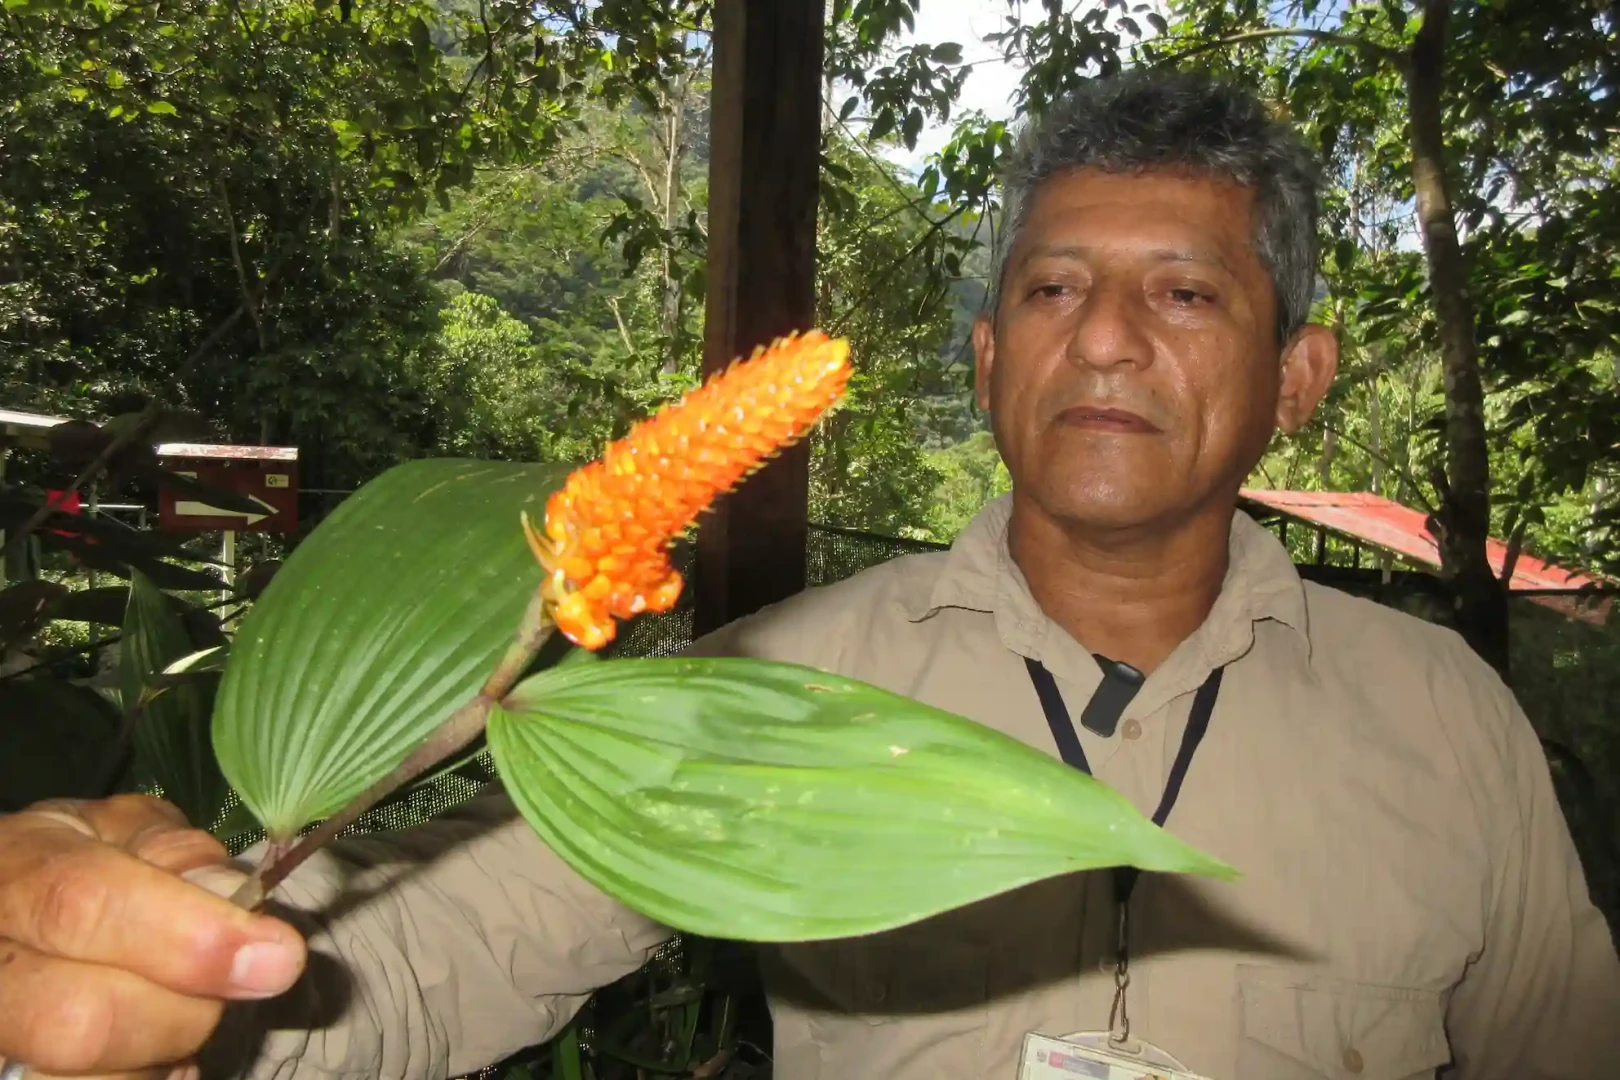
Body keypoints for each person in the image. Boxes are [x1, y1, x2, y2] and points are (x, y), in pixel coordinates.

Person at [2, 70, 1617, 1080]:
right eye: (1053, 288)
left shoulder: (1448, 720)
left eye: (1186, 295)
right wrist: (163, 971)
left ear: (1299, 378)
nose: (1106, 340)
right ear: (988, 360)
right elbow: (426, 956)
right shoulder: (774, 686)